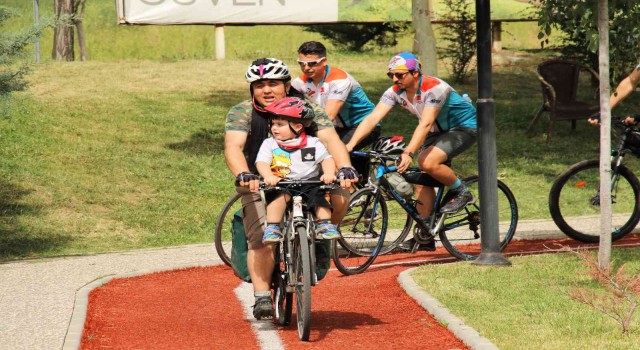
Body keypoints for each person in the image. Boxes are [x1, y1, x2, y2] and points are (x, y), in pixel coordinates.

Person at [224, 58, 358, 319]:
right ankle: (262, 296)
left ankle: (319, 237)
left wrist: (344, 168)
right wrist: (244, 174)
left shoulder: (307, 110)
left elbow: (331, 141)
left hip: (310, 178)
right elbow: (233, 147)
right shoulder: (242, 112)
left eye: (273, 83)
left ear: (286, 85)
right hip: (260, 179)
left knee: (342, 195)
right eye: (259, 85)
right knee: (262, 233)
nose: (266, 90)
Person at [345, 52, 478, 252]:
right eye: (391, 75)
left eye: (400, 75)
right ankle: (425, 236)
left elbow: (425, 124)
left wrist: (408, 152)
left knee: (427, 162)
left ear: (415, 72)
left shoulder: (434, 88)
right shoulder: (395, 91)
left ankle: (461, 191)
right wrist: (350, 145)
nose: (395, 79)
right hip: (437, 131)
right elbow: (372, 118)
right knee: (422, 181)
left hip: (464, 127)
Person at [256, 97, 340, 244]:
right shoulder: (270, 143)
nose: (274, 128)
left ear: (297, 126)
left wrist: (328, 173)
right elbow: (262, 162)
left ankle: (324, 224)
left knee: (319, 197)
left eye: (280, 124)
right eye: (273, 124)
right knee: (279, 198)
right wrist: (268, 176)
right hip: (281, 182)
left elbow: (326, 159)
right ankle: (273, 227)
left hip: (309, 182)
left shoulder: (313, 143)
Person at [292, 41, 379, 179]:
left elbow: (329, 116)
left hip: (362, 125)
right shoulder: (300, 82)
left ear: (324, 61)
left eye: (312, 63)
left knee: (332, 156)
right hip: (335, 127)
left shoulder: (339, 80)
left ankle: (351, 192)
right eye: (301, 63)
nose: (306, 67)